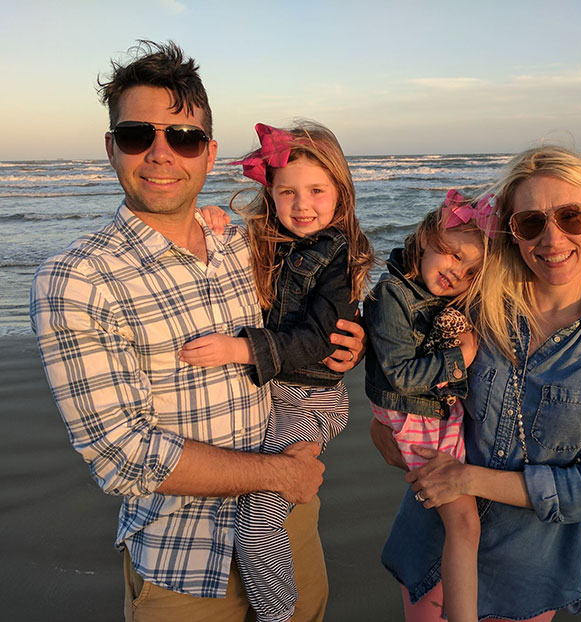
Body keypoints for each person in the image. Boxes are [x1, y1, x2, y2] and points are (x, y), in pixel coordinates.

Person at [29, 40, 364, 622]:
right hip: (183, 560)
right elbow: (123, 456)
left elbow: (305, 320)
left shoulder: (242, 244)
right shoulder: (77, 280)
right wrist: (282, 471)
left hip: (287, 522)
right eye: (138, 135)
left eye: (182, 137)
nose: (161, 154)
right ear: (112, 148)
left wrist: (346, 343)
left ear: (208, 154)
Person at [371, 146, 581, 621]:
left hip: (525, 571)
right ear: (512, 232)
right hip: (433, 543)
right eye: (531, 222)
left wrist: (470, 479)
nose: (552, 238)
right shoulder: (472, 308)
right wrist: (379, 423)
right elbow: (400, 363)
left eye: (571, 216)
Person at [181, 120, 374, 622]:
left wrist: (238, 350)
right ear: (270, 193)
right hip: (270, 399)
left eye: (316, 190)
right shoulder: (264, 240)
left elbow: (318, 341)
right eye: (287, 192)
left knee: (259, 507)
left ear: (341, 193)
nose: (302, 205)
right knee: (251, 490)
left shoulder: (340, 253)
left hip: (312, 403)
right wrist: (212, 224)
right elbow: (227, 272)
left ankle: (277, 611)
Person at [364, 190, 498, 622]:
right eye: (453, 255)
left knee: (462, 516)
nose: (457, 272)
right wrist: (461, 358)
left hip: (432, 410)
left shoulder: (441, 302)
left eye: (471, 270)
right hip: (412, 412)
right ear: (425, 239)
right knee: (463, 522)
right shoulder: (391, 295)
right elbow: (401, 375)